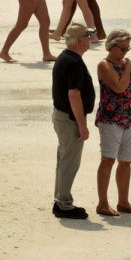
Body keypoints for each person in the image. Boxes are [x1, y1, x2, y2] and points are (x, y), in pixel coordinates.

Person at [94, 29, 131, 217]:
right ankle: (103, 203)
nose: (125, 52)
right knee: (108, 160)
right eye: (122, 48)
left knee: (126, 162)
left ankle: (123, 202)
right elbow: (119, 87)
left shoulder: (128, 63)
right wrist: (128, 69)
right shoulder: (104, 65)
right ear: (112, 46)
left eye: (128, 47)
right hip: (111, 119)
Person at [51, 23, 95, 219]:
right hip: (69, 119)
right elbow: (74, 95)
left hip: (61, 116)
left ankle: (61, 199)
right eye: (87, 36)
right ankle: (64, 204)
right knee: (69, 161)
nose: (90, 39)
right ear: (79, 40)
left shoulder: (65, 57)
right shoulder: (74, 62)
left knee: (64, 159)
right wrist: (82, 125)